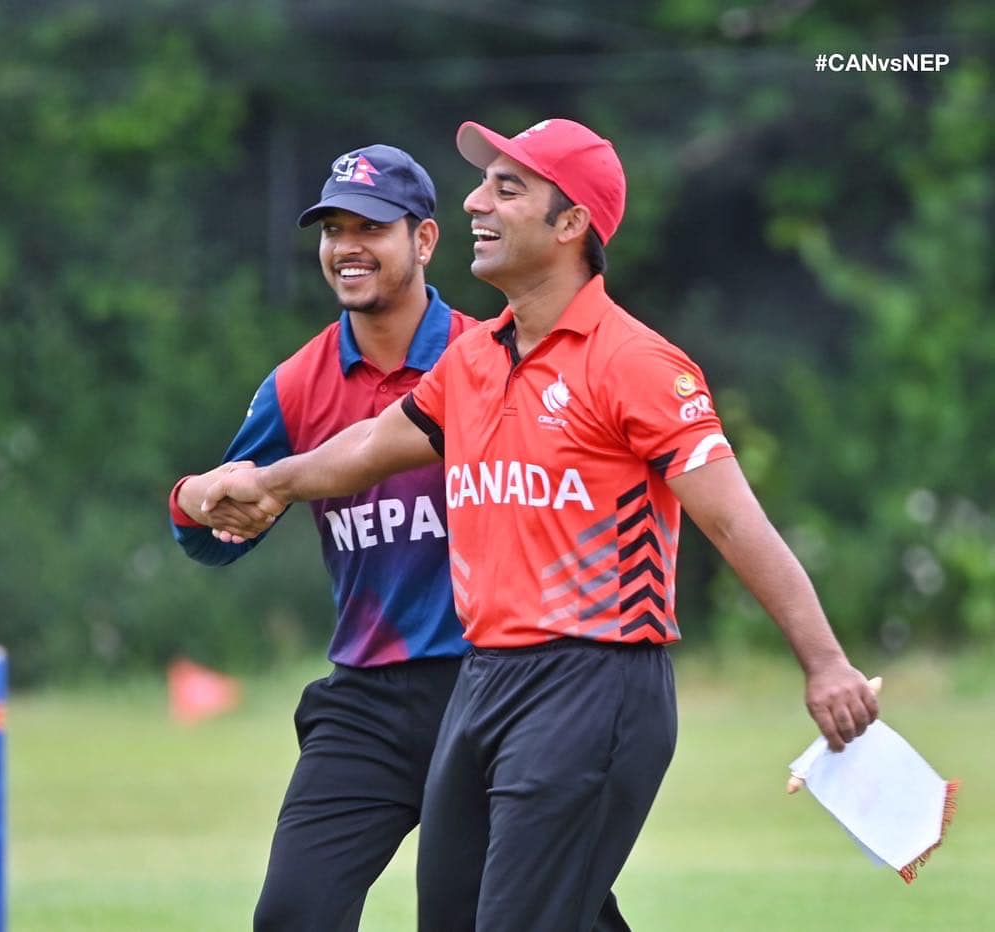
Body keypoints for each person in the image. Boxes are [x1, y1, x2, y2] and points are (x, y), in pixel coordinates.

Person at [198, 118, 880, 932]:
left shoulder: (637, 363)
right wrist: (265, 483)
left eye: (505, 188)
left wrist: (825, 663)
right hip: (486, 682)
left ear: (570, 224)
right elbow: (366, 450)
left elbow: (736, 525)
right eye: (483, 183)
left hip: (595, 682)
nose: (475, 202)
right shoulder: (475, 358)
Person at [167, 143, 479, 931]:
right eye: (332, 228)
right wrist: (197, 495)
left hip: (488, 691)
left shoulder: (489, 356)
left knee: (525, 911)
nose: (347, 247)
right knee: (291, 916)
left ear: (424, 240)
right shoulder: (298, 384)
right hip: (366, 702)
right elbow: (216, 534)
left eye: (370, 227)